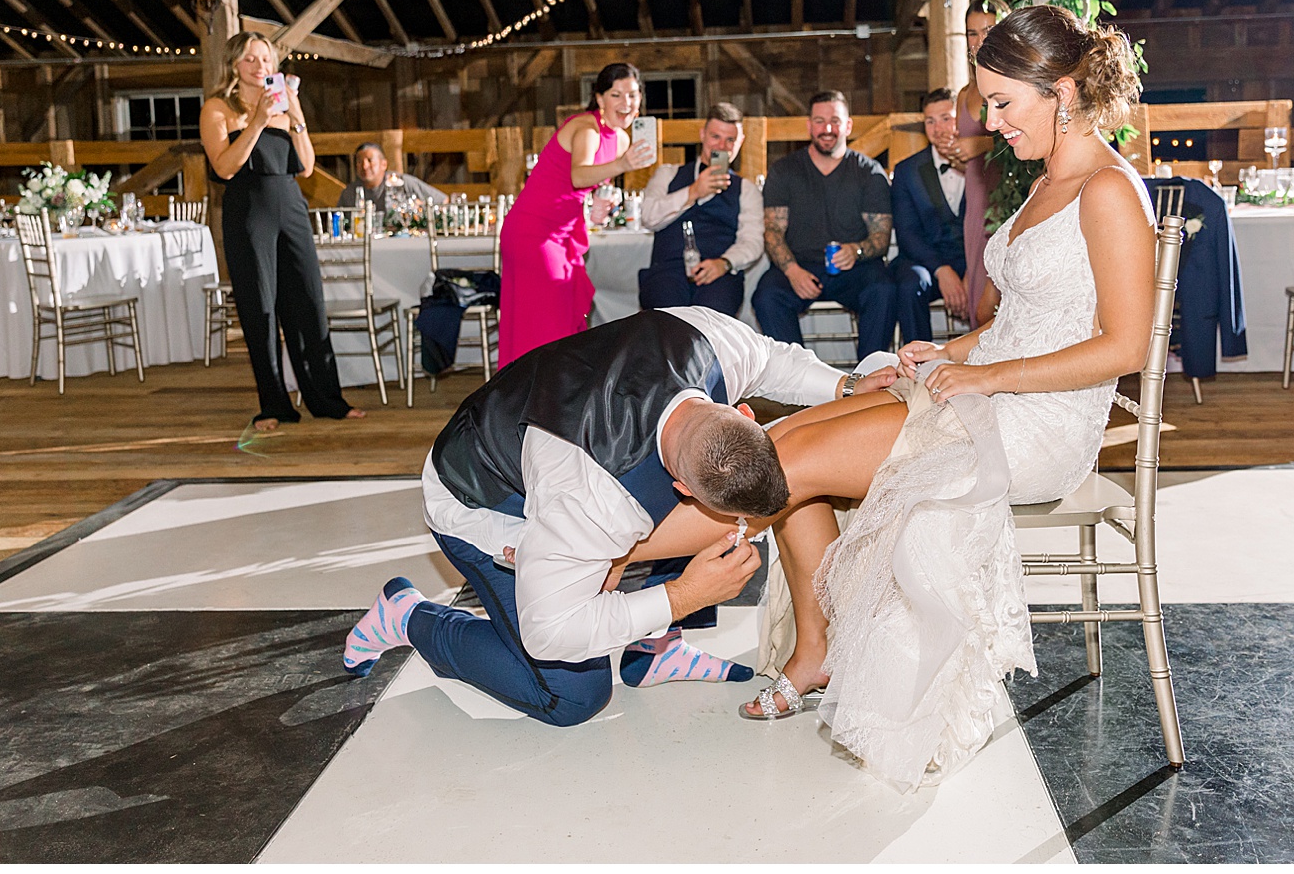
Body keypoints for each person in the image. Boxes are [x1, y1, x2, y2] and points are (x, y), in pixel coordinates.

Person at [645, 7, 1157, 791]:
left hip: (1039, 422)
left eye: (1002, 103)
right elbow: (1019, 322)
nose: (990, 122)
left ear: (1059, 91)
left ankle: (620, 564)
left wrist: (985, 376)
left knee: (784, 466)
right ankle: (811, 645)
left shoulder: (1110, 190)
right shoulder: (1047, 178)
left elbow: (1123, 346)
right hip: (987, 387)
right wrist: (949, 352)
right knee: (784, 439)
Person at [339, 306, 897, 727]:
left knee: (676, 530)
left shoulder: (706, 341)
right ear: (680, 488)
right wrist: (681, 596)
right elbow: (549, 631)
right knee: (572, 698)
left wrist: (844, 384)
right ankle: (409, 617)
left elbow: (770, 358)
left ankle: (651, 651)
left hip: (554, 443)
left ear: (744, 413)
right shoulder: (592, 499)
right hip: (479, 497)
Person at [199, 31, 362, 431]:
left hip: (291, 207)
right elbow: (224, 168)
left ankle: (327, 400)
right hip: (248, 212)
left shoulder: (284, 106)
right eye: (251, 59)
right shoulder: (218, 109)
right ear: (234, 65)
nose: (261, 66)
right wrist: (256, 121)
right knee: (261, 308)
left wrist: (296, 112)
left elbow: (306, 167)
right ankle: (274, 405)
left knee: (308, 301)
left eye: (266, 59)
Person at [496, 63, 655, 369]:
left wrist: (596, 208)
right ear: (600, 98)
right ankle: (535, 390)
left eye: (633, 95)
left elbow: (581, 190)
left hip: (563, 233)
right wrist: (623, 165)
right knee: (543, 325)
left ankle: (552, 390)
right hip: (533, 231)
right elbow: (579, 175)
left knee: (562, 320)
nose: (626, 103)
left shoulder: (621, 140)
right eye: (616, 95)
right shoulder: (588, 129)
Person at [751, 91, 897, 358]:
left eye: (835, 121)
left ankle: (871, 374)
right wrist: (792, 270)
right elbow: (772, 231)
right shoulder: (784, 170)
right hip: (799, 265)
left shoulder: (869, 172)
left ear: (848, 125)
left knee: (884, 290)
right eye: (819, 121)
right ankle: (797, 376)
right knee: (767, 297)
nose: (827, 129)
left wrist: (856, 251)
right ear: (809, 125)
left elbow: (881, 236)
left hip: (855, 267)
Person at [637, 102, 762, 318]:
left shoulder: (746, 189)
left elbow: (753, 241)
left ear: (740, 142)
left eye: (730, 140)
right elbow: (649, 217)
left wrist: (725, 263)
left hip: (718, 274)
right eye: (715, 137)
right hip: (668, 272)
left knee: (711, 320)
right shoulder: (668, 174)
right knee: (668, 319)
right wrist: (693, 192)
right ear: (702, 135)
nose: (722, 146)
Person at [888, 88, 970, 346]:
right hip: (926, 261)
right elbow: (907, 234)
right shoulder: (907, 171)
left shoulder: (983, 163)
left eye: (946, 118)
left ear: (961, 119)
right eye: (930, 121)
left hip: (974, 259)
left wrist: (975, 272)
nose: (938, 128)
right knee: (911, 283)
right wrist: (941, 270)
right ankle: (920, 361)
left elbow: (994, 228)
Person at [956, 0, 1011, 325]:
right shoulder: (964, 94)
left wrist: (982, 144)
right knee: (979, 302)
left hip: (1007, 201)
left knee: (999, 306)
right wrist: (957, 153)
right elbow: (967, 160)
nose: (979, 41)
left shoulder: (1015, 86)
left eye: (988, 31)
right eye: (972, 33)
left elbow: (1028, 144)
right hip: (976, 205)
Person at [339, 142, 449, 216]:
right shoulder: (350, 192)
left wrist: (421, 210)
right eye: (359, 162)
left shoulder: (403, 183)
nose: (364, 166)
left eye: (370, 161)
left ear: (384, 164)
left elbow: (443, 200)